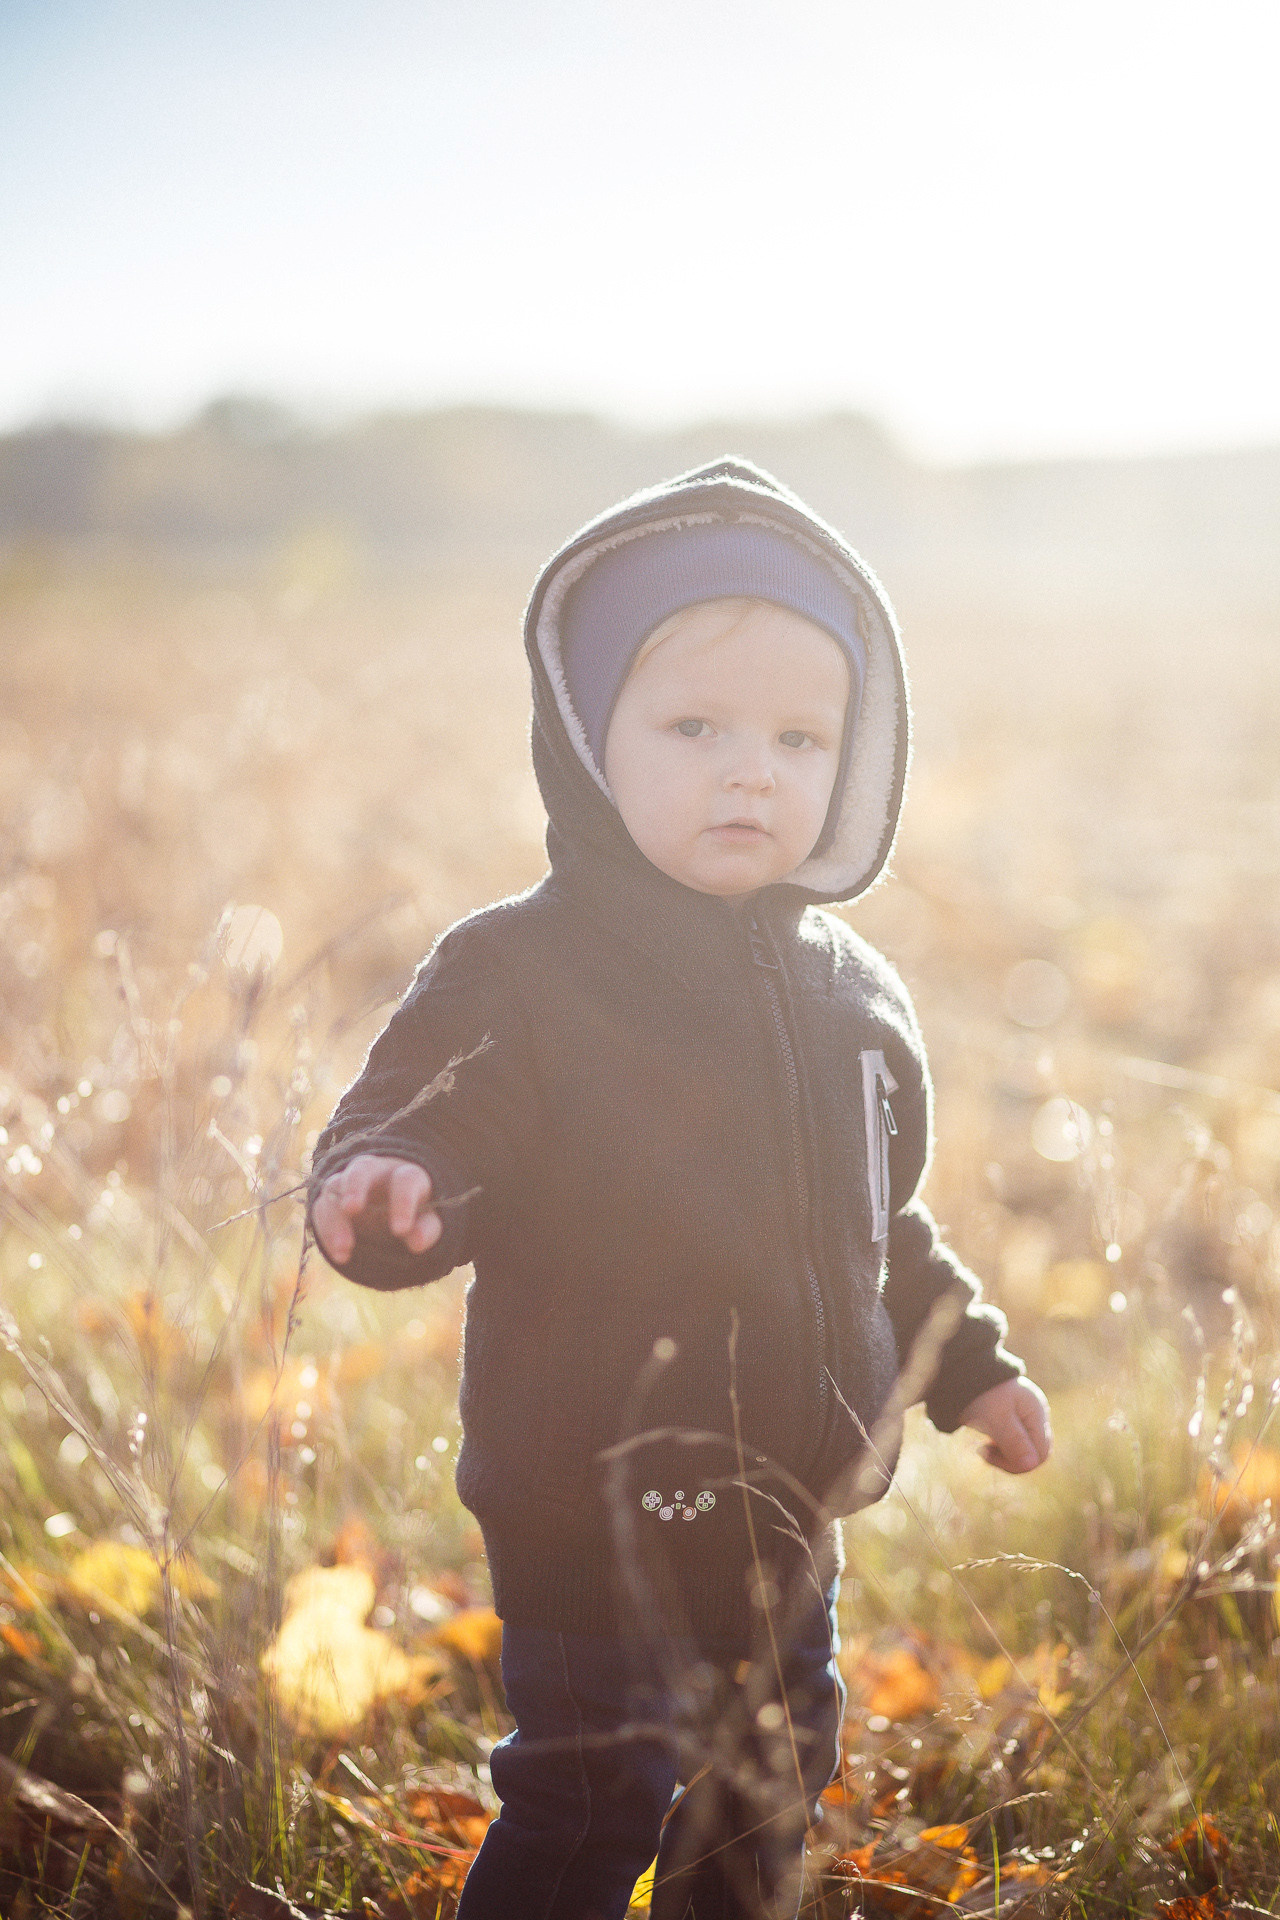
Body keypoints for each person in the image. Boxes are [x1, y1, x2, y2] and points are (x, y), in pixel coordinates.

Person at [308, 459, 1052, 1920]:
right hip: (594, 1509)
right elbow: (422, 1132)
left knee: (766, 1784)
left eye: (797, 735)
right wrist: (390, 1190)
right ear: (590, 744)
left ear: (857, 756)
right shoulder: (522, 972)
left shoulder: (856, 998)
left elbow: (882, 1226)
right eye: (694, 725)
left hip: (793, 1506)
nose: (750, 769)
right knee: (594, 1790)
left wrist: (969, 1370)